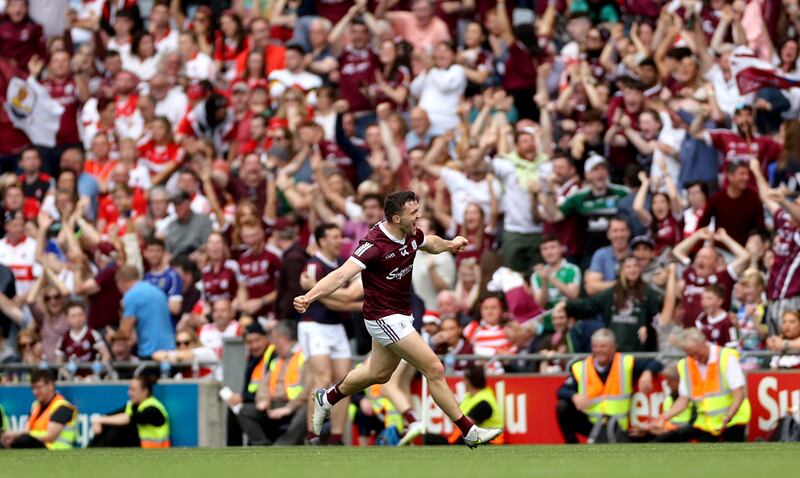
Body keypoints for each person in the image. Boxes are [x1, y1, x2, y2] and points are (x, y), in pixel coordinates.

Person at [294, 191, 502, 448]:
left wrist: (450, 244)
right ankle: (469, 431)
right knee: (434, 368)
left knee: (377, 374)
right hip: (382, 318)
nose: (419, 217)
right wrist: (310, 296)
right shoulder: (374, 246)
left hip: (400, 315)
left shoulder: (411, 232)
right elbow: (339, 276)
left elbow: (430, 243)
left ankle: (326, 398)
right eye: (413, 214)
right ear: (396, 218)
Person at [555, 329, 661, 444]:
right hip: (591, 422)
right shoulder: (581, 367)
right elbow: (561, 390)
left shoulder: (625, 362)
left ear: (613, 348)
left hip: (617, 424)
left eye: (603, 346)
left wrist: (647, 372)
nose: (599, 350)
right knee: (562, 406)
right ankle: (572, 446)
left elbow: (656, 363)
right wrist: (574, 396)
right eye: (595, 346)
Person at [298, 223, 351, 444]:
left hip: (336, 327)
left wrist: (345, 301)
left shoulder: (341, 265)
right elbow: (322, 300)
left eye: (340, 236)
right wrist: (354, 303)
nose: (339, 241)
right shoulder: (313, 265)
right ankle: (313, 433)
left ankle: (336, 436)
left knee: (346, 383)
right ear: (321, 241)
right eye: (334, 236)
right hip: (314, 325)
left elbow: (343, 299)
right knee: (322, 379)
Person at [657, 328, 751, 442]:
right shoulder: (686, 365)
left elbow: (739, 393)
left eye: (696, 352)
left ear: (704, 342)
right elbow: (684, 400)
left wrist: (728, 416)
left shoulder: (725, 357)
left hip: (734, 420)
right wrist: (663, 418)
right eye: (690, 354)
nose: (695, 358)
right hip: (707, 424)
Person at [563, 255, 661, 352]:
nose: (632, 270)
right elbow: (590, 305)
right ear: (622, 270)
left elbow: (657, 316)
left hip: (640, 351)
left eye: (635, 266)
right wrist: (567, 305)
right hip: (615, 351)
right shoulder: (612, 293)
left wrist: (648, 328)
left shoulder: (648, 293)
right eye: (628, 266)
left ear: (640, 269)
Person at [238, 320, 308, 446]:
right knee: (245, 411)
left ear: (282, 339)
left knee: (309, 408)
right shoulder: (277, 359)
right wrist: (263, 400)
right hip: (274, 405)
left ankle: (284, 444)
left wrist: (289, 408)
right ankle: (261, 444)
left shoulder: (305, 356)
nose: (272, 343)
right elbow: (264, 383)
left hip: (296, 405)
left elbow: (310, 389)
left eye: (274, 339)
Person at [0, 370, 77, 449]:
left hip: (56, 450)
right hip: (37, 446)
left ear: (50, 385)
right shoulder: (35, 405)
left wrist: (18, 435)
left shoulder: (62, 406)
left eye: (39, 387)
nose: (35, 392)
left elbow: (50, 436)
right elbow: (27, 429)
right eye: (33, 388)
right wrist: (14, 437)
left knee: (24, 439)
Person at [90, 375, 170, 448]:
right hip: (138, 449)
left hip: (155, 452)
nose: (129, 393)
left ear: (145, 391)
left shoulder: (153, 409)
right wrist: (97, 420)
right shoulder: (131, 405)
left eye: (133, 389)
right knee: (110, 424)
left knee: (120, 427)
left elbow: (130, 418)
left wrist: (99, 419)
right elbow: (109, 416)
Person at [115, 264, 175, 360]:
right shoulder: (157, 291)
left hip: (150, 351)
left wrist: (111, 336)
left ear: (120, 281)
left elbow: (124, 332)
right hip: (170, 348)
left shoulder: (131, 296)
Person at [445, 366, 504, 445]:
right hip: (470, 440)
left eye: (464, 379)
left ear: (469, 381)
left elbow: (464, 425)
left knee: (431, 440)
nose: (463, 382)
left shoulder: (484, 403)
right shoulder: (469, 397)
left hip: (490, 442)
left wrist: (448, 402)